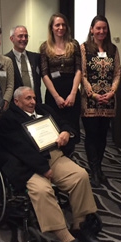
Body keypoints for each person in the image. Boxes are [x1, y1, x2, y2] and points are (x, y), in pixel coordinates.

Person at [0, 86, 103, 242]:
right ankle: (65, 237)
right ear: (16, 101)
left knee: (80, 176)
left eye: (34, 98)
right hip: (27, 166)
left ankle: (79, 225)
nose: (33, 102)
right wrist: (43, 168)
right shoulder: (8, 120)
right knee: (43, 191)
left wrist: (65, 132)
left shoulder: (44, 109)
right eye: (28, 98)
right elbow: (20, 149)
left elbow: (65, 123)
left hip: (53, 157)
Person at [79, 15, 121, 188]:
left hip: (109, 101)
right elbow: (82, 74)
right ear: (92, 29)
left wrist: (112, 92)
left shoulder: (113, 49)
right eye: (98, 28)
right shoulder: (84, 48)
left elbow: (117, 72)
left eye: (104, 28)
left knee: (103, 136)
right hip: (90, 101)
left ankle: (99, 168)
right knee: (91, 135)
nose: (101, 31)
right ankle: (94, 170)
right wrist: (93, 94)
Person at [39, 13, 82, 156]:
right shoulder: (45, 47)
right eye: (57, 25)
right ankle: (58, 160)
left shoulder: (74, 44)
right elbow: (44, 74)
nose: (61, 28)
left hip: (72, 93)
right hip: (53, 95)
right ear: (51, 27)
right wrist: (57, 97)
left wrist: (73, 93)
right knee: (55, 128)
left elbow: (79, 70)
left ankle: (70, 157)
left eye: (63, 24)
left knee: (72, 129)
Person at [5, 25, 42, 104]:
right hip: (16, 106)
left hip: (35, 103)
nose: (24, 39)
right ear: (12, 39)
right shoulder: (6, 60)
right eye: (20, 36)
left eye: (26, 36)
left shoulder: (36, 57)